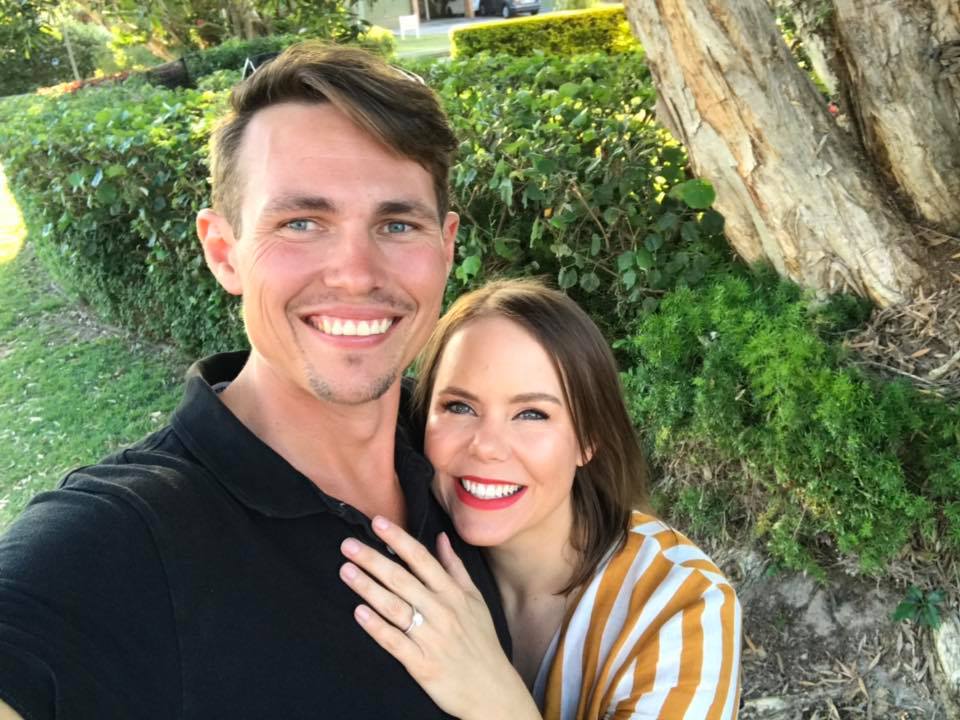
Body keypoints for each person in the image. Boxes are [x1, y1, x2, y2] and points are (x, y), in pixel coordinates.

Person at [0, 43, 510, 719]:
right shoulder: (120, 540)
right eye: (302, 223)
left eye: (396, 223)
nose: (356, 272)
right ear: (223, 252)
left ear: (445, 248)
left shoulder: (473, 459)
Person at [336, 279, 742, 719]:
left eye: (532, 414)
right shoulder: (401, 541)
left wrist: (495, 701)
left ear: (589, 439)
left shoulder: (683, 605)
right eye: (459, 407)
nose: (487, 446)